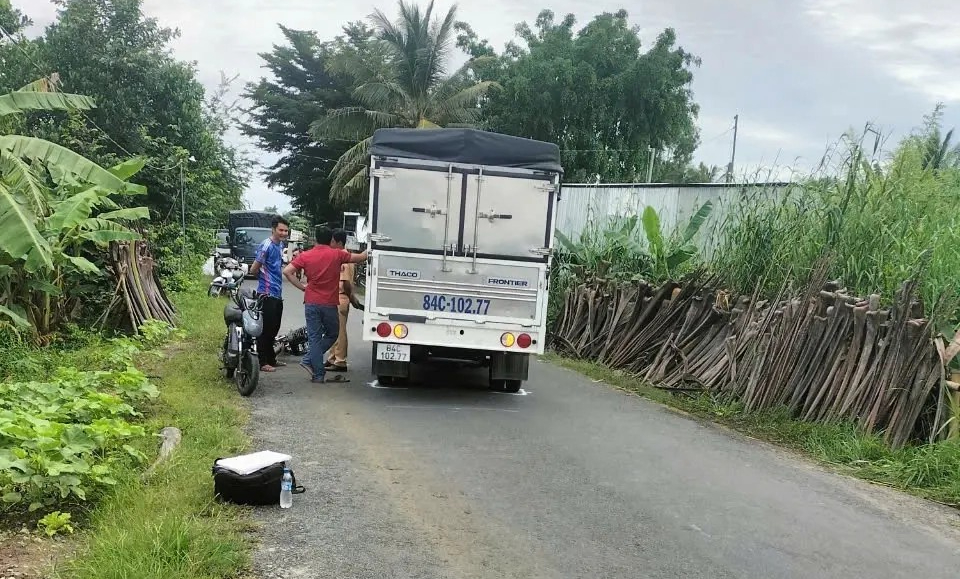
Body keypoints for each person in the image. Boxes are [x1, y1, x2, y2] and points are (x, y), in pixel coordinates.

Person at [283, 226, 367, 383]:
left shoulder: (306, 255)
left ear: (316, 239)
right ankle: (312, 364)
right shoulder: (337, 254)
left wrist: (302, 287)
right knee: (333, 333)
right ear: (330, 240)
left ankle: (316, 371)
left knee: (314, 338)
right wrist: (374, 245)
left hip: (311, 302)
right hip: (329, 303)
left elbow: (287, 271)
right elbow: (361, 257)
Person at [248, 215, 289, 373]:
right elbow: (254, 269)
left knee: (274, 328)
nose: (283, 233)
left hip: (277, 293)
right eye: (281, 230)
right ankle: (262, 361)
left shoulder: (280, 245)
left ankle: (271, 359)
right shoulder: (266, 245)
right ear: (273, 229)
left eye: (286, 230)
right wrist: (265, 281)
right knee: (266, 329)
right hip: (266, 293)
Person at [325, 230, 363, 373]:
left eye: (332, 241)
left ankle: (340, 361)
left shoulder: (344, 259)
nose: (330, 244)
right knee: (333, 330)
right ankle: (332, 358)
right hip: (335, 297)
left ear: (339, 243)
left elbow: (346, 283)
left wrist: (351, 298)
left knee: (340, 331)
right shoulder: (339, 256)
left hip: (341, 297)